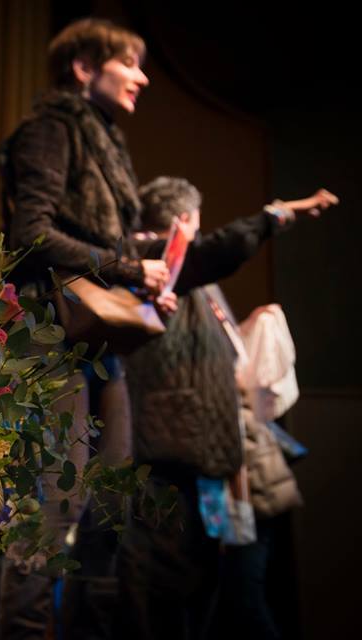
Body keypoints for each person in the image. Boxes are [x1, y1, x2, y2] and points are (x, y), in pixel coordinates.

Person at [0, 18, 167, 639]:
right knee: (53, 501)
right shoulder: (53, 129)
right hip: (55, 332)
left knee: (111, 503)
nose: (141, 77)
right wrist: (128, 266)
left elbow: (92, 235)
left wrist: (144, 266)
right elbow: (31, 233)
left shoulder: (104, 141)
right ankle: (21, 627)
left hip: (101, 342)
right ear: (85, 68)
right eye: (129, 63)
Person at [117, 176, 337, 640]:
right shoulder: (155, 261)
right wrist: (280, 212)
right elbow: (221, 250)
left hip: (201, 455)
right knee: (170, 589)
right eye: (196, 226)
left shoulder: (184, 276)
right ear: (184, 221)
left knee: (202, 587)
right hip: (173, 454)